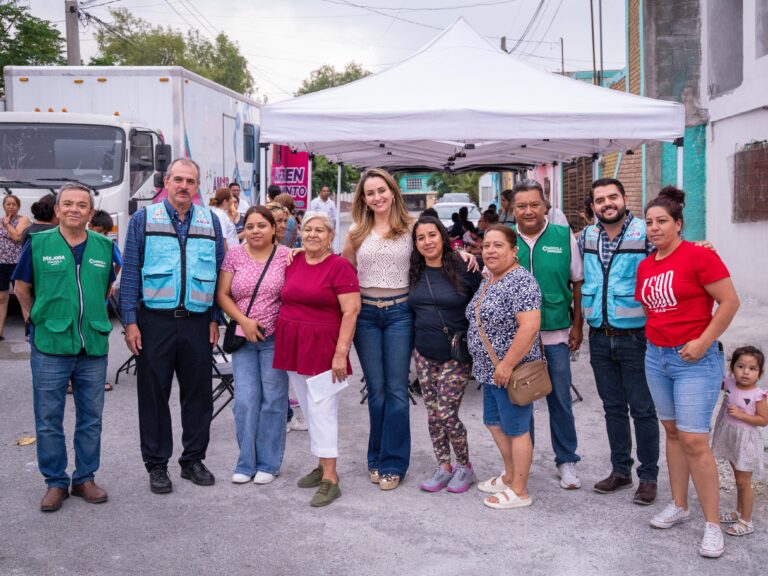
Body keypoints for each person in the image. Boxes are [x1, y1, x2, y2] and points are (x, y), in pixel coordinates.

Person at [636, 186, 740, 558]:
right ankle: (679, 505)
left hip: (695, 360)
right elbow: (654, 310)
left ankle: (713, 524)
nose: (654, 228)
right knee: (673, 432)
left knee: (695, 440)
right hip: (657, 357)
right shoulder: (647, 265)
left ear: (678, 224)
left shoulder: (699, 256)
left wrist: (702, 341)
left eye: (662, 221)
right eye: (649, 222)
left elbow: (729, 302)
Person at [120, 157, 225, 495]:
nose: (183, 186)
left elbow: (221, 273)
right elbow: (131, 274)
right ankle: (157, 464)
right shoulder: (144, 219)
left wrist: (214, 319)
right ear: (166, 182)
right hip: (155, 322)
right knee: (153, 395)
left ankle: (193, 460)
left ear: (197, 187)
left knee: (199, 396)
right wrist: (130, 323)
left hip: (196, 322)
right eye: (177, 179)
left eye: (190, 181)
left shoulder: (211, 222)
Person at [12, 183, 120, 512]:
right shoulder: (38, 243)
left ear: (90, 212)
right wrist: (36, 319)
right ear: (57, 210)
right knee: (48, 418)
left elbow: (107, 285)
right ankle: (55, 482)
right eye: (68, 204)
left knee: (91, 418)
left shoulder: (105, 246)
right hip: (50, 345)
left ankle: (85, 478)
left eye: (82, 205)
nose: (74, 209)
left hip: (93, 347)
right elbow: (22, 288)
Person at [578, 178, 660, 505]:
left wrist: (702, 247)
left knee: (642, 409)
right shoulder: (586, 236)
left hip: (636, 337)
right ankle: (621, 471)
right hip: (598, 336)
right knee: (613, 408)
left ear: (625, 198)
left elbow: (674, 253)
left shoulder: (645, 232)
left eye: (613, 197)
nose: (607, 204)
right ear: (593, 206)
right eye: (600, 200)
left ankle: (649, 477)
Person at [274, 211, 361, 506]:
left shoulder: (339, 267)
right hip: (294, 344)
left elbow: (351, 311)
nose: (312, 234)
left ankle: (331, 478)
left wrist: (341, 353)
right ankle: (321, 464)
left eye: (319, 230)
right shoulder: (293, 260)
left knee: (323, 411)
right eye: (308, 229)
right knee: (310, 412)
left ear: (330, 236)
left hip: (324, 348)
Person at [342, 168, 416, 490]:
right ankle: (376, 456)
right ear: (364, 199)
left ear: (392, 191)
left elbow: (436, 255)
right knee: (377, 391)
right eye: (370, 193)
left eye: (381, 190)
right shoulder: (357, 230)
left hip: (401, 313)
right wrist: (302, 254)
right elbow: (342, 271)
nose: (377, 197)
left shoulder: (411, 228)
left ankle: (393, 463)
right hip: (367, 316)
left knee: (397, 391)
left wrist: (468, 256)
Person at [513, 179, 584, 489]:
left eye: (534, 204)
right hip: (516, 339)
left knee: (560, 400)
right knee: (520, 400)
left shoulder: (562, 235)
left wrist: (578, 325)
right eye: (521, 205)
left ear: (546, 206)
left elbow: (577, 282)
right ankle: (521, 463)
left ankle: (567, 460)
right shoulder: (503, 239)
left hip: (555, 333)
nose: (528, 211)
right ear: (512, 209)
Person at [467, 225, 542, 509]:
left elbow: (530, 326)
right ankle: (510, 475)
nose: (490, 251)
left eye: (498, 246)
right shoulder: (490, 279)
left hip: (510, 371)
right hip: (489, 371)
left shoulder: (520, 281)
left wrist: (508, 364)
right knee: (494, 423)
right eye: (486, 246)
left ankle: (520, 491)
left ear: (514, 250)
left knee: (517, 429)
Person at [216, 206, 291, 485]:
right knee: (245, 402)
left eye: (262, 225)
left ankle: (269, 464)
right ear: (243, 230)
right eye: (250, 226)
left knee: (273, 401)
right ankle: (246, 462)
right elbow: (222, 294)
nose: (256, 231)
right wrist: (243, 321)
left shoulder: (287, 256)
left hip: (275, 339)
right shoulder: (234, 255)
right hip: (243, 338)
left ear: (273, 228)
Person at [409, 216, 481, 493]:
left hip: (455, 353)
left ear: (442, 236)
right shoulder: (414, 270)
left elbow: (484, 296)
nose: (427, 242)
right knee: (432, 415)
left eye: (432, 235)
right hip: (425, 354)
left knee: (447, 413)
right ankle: (444, 466)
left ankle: (464, 467)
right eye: (421, 238)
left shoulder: (465, 266)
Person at [712, 346, 767, 537]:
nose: (745, 372)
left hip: (745, 442)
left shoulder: (758, 395)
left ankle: (747, 521)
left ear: (760, 373)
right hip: (730, 437)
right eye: (741, 366)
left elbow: (763, 420)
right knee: (738, 479)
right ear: (732, 368)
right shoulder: (728, 383)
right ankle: (738, 512)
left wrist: (743, 415)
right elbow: (713, 377)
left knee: (744, 482)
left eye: (752, 369)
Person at [266, 201, 308, 432]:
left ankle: (285, 417)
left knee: (278, 381)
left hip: (283, 326)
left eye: (285, 221)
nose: (284, 226)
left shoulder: (289, 253)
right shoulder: (247, 251)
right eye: (279, 221)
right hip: (257, 327)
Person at [89, 209, 123, 392]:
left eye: (105, 233)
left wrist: (110, 281)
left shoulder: (108, 245)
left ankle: (98, 379)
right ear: (90, 226)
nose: (102, 235)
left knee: (99, 339)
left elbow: (120, 262)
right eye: (99, 231)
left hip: (99, 302)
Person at [1, 194, 30, 340]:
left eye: (14, 204)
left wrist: (6, 224)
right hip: (1, 263)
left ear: (18, 206)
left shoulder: (23, 219)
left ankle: (29, 330)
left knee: (22, 295)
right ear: (3, 206)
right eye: (8, 204)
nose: (11, 206)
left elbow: (17, 237)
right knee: (1, 298)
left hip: (17, 263)